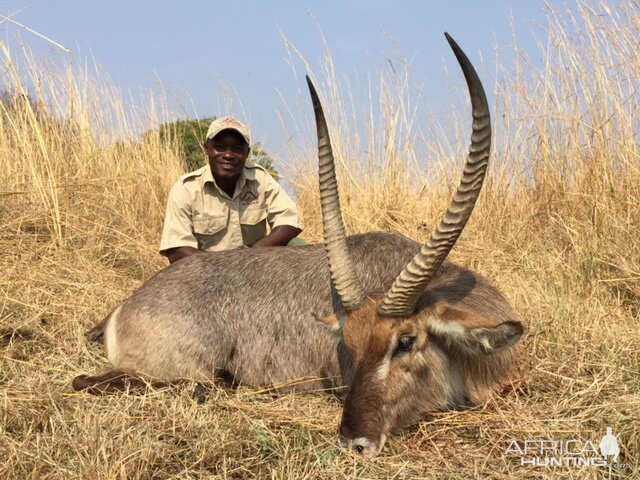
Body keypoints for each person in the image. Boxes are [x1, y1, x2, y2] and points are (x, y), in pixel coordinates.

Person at [159, 116, 303, 264]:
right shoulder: (186, 188)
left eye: (237, 149)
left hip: (255, 263)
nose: (228, 155)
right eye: (219, 147)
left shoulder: (260, 178)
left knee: (297, 245)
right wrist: (226, 269)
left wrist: (250, 257)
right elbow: (176, 249)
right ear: (206, 148)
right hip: (208, 271)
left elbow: (291, 222)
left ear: (247, 153)